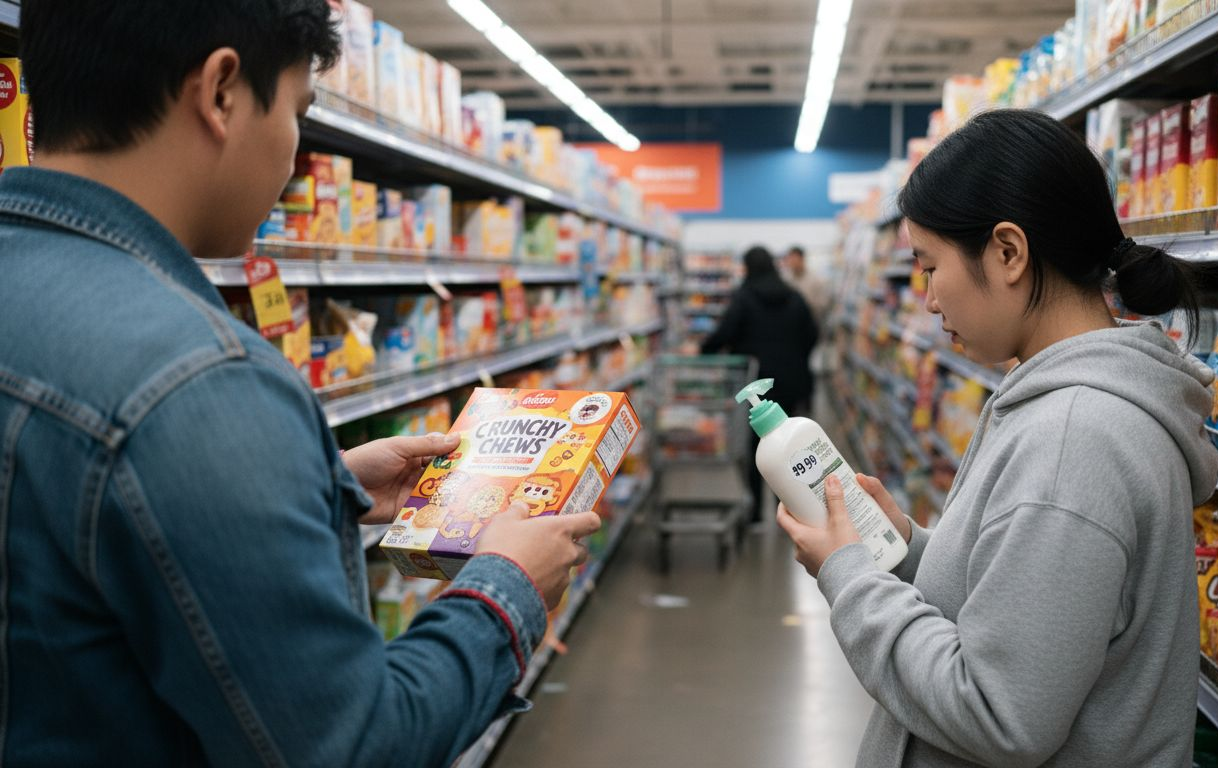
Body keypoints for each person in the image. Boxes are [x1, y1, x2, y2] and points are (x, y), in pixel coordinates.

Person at [0, 2, 599, 765]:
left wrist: (317, 492)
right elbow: (353, 745)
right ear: (221, 92)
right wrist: (507, 586)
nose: (293, 152)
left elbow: (78, 554)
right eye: (297, 110)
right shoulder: (202, 384)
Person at [776, 109, 1218, 767]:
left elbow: (998, 714)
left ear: (1008, 252)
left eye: (930, 267)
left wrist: (848, 577)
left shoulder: (1073, 441)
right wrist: (904, 551)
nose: (927, 299)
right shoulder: (1057, 402)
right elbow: (1026, 608)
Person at [701, 246, 819, 521]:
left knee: (756, 448)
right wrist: (796, 357)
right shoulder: (794, 296)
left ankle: (755, 514)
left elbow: (725, 332)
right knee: (788, 445)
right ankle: (790, 509)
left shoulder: (744, 298)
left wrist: (704, 350)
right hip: (790, 380)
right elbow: (812, 334)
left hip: (754, 384)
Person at [781, 244, 831, 322]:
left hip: (811, 321)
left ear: (802, 259)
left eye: (794, 259)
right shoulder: (785, 279)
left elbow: (823, 305)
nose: (791, 262)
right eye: (790, 259)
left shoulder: (816, 279)